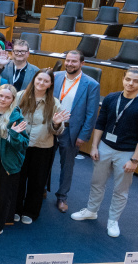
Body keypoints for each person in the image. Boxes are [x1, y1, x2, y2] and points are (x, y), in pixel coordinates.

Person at [70, 68, 138, 238]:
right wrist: (94, 146)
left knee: (120, 190)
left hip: (127, 152)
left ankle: (113, 220)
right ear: (123, 79)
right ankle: (92, 210)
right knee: (97, 182)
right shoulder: (111, 98)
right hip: (105, 147)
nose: (130, 83)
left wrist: (134, 160)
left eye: (136, 81)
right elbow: (100, 123)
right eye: (128, 79)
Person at [14, 69, 68, 225]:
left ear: (50, 84)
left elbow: (59, 130)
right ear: (34, 80)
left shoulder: (54, 103)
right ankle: (16, 208)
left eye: (45, 81)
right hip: (21, 145)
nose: (41, 83)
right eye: (39, 79)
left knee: (37, 182)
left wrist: (56, 123)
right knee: (18, 178)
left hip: (42, 147)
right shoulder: (20, 96)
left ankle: (31, 211)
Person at [52, 50, 100, 213]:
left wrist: (83, 135)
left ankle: (62, 196)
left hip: (71, 131)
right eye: (68, 60)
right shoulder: (56, 76)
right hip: (51, 127)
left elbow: (91, 113)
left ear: (82, 63)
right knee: (44, 161)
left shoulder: (91, 84)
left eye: (74, 61)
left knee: (67, 165)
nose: (70, 64)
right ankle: (42, 189)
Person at [0, 84, 29, 239]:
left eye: (7, 97)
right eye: (1, 95)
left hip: (8, 161)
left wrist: (13, 135)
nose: (3, 99)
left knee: (3, 196)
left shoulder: (16, 117)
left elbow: (23, 145)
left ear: (13, 99)